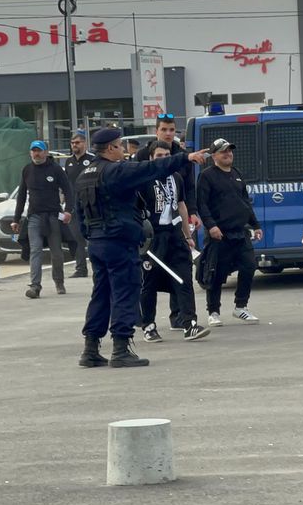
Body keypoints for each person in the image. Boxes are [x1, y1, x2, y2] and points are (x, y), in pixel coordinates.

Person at [74, 127, 209, 368]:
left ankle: (91, 348)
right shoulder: (115, 171)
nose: (123, 150)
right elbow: (150, 168)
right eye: (120, 146)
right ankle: (121, 348)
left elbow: (80, 215)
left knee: (101, 294)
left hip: (96, 243)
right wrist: (185, 157)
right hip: (119, 242)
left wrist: (92, 237)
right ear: (110, 148)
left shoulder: (84, 175)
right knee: (125, 292)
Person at [137, 141, 210, 342]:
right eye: (159, 156)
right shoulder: (143, 179)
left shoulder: (176, 177)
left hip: (174, 234)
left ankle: (189, 324)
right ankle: (148, 325)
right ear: (151, 158)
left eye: (167, 155)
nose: (163, 159)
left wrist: (187, 236)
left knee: (184, 278)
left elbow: (181, 206)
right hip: (153, 238)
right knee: (149, 282)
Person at [197, 137, 262, 326]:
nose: (228, 154)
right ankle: (213, 311)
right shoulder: (207, 176)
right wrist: (211, 226)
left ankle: (241, 306)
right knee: (216, 273)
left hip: (240, 232)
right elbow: (202, 204)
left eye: (230, 151)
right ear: (214, 156)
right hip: (219, 234)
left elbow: (245, 202)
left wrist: (255, 225)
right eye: (223, 151)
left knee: (249, 266)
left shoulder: (236, 173)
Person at [12, 140, 73, 298]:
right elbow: (21, 196)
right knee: (35, 250)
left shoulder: (56, 169)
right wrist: (16, 219)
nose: (36, 154)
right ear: (30, 153)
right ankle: (35, 286)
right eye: (34, 151)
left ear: (46, 152)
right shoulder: (27, 170)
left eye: (39, 150)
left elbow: (68, 190)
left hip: (53, 216)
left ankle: (59, 281)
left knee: (56, 252)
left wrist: (68, 210)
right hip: (34, 216)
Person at [63, 131, 95, 278]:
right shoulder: (68, 162)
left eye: (77, 143)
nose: (74, 145)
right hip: (73, 205)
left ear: (84, 143)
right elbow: (65, 184)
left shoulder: (92, 159)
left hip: (89, 204)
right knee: (77, 238)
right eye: (72, 143)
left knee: (93, 237)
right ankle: (81, 269)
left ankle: (97, 267)